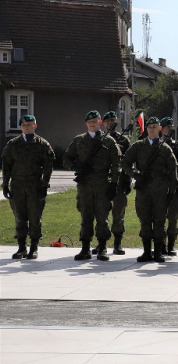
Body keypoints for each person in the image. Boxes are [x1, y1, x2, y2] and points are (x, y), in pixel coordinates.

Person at [63, 110, 122, 261]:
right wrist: (76, 168)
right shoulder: (78, 140)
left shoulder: (108, 141)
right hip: (85, 185)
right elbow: (66, 159)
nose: (92, 123)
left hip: (102, 183)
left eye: (95, 121)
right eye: (89, 122)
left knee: (102, 217)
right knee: (86, 216)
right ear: (86, 123)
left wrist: (114, 184)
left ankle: (102, 248)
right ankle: (85, 248)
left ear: (100, 122)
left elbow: (116, 164)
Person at [121, 116, 178, 262]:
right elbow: (125, 162)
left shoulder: (165, 148)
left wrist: (172, 192)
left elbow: (173, 171)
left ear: (160, 129)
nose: (152, 130)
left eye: (155, 127)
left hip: (160, 191)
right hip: (144, 190)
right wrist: (134, 174)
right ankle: (147, 251)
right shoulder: (138, 146)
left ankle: (158, 252)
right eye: (150, 127)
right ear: (146, 129)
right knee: (145, 220)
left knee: (159, 221)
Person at [1, 115, 55, 260]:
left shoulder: (42, 144)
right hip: (17, 186)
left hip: (34, 186)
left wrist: (44, 185)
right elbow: (6, 166)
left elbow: (48, 167)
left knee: (35, 217)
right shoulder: (13, 144)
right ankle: (21, 247)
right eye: (24, 125)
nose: (27, 127)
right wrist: (5, 185)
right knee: (19, 217)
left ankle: (34, 247)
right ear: (21, 127)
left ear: (35, 126)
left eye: (30, 124)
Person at [103, 111, 131, 255]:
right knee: (101, 213)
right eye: (107, 121)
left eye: (112, 120)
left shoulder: (124, 140)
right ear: (103, 123)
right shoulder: (99, 139)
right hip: (102, 182)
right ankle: (101, 243)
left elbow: (128, 162)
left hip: (119, 181)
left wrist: (127, 181)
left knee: (118, 213)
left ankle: (117, 243)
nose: (110, 123)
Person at [159, 117, 178, 256]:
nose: (169, 129)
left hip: (174, 186)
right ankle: (161, 245)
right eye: (167, 127)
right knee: (159, 217)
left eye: (171, 127)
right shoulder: (157, 145)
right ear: (161, 128)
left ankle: (171, 245)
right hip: (159, 187)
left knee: (173, 217)